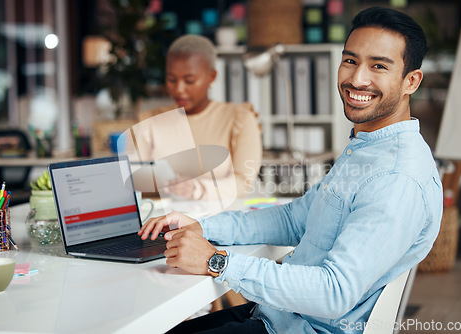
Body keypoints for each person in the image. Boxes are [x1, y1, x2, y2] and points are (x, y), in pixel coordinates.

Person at [139, 7, 443, 334]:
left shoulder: (395, 178)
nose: (357, 79)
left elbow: (334, 292)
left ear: (411, 81)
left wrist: (216, 262)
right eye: (351, 60)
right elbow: (294, 219)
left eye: (378, 66)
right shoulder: (368, 148)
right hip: (277, 317)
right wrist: (202, 225)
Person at [133, 34, 262, 201]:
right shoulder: (150, 121)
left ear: (212, 77)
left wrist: (196, 189)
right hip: (161, 220)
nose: (179, 89)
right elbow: (134, 184)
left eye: (189, 80)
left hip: (219, 219)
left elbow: (244, 183)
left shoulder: (239, 119)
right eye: (171, 79)